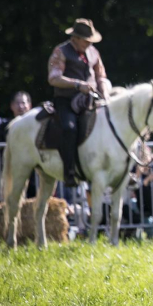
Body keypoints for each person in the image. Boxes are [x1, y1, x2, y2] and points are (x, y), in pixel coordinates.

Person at [46, 18, 111, 188]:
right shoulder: (61, 51)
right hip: (66, 101)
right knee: (69, 128)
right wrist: (77, 84)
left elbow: (101, 76)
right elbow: (54, 78)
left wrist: (104, 90)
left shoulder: (93, 53)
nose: (89, 44)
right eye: (86, 40)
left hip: (91, 100)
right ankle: (69, 172)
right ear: (75, 38)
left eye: (91, 41)